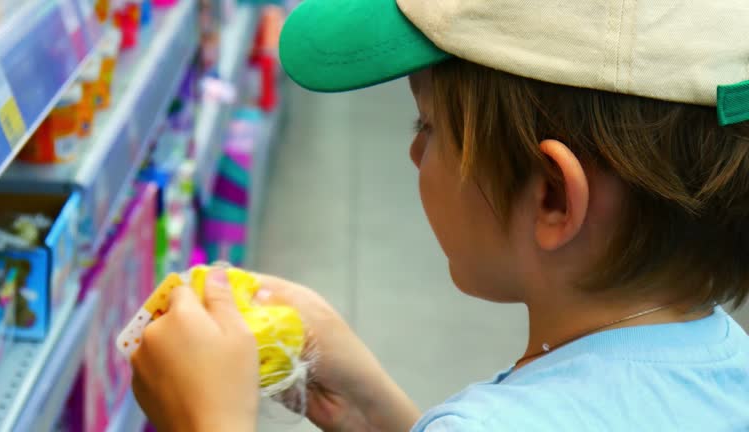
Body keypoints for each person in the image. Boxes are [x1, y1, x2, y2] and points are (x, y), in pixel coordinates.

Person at [129, 0, 749, 430]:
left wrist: (207, 419)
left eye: (427, 124)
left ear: (554, 197)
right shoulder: (726, 367)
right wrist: (372, 416)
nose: (414, 151)